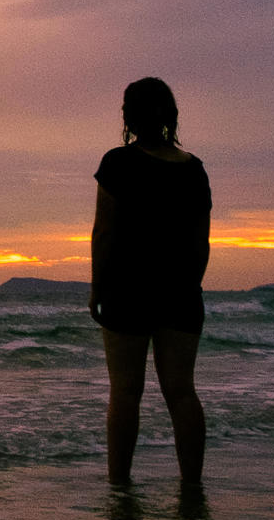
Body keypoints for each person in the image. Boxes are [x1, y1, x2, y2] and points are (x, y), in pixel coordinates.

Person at [89, 77, 211, 485]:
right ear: (169, 116)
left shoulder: (119, 163)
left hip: (128, 288)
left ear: (129, 116)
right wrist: (188, 286)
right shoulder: (193, 170)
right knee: (182, 393)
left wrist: (97, 288)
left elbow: (104, 232)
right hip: (180, 292)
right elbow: (201, 242)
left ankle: (119, 486)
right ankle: (191, 486)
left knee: (125, 391)